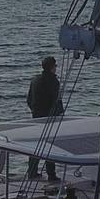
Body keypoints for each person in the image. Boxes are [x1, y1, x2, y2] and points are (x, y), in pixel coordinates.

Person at [25, 55, 65, 183]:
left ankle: (32, 172)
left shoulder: (35, 80)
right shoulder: (53, 82)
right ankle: (51, 175)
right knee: (49, 147)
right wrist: (60, 113)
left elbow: (29, 100)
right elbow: (56, 101)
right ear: (52, 67)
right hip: (49, 118)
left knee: (36, 145)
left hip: (36, 117)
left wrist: (34, 111)